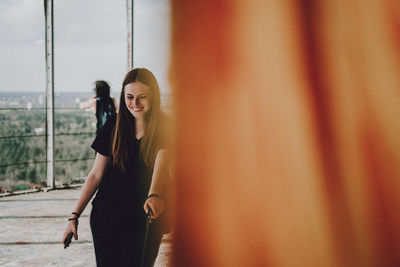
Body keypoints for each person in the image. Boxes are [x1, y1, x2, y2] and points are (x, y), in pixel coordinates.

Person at [63, 68, 171, 267]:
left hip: (144, 217)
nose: (135, 104)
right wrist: (74, 216)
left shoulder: (166, 126)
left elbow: (162, 164)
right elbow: (95, 175)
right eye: (129, 97)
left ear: (153, 97)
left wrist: (154, 195)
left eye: (142, 97)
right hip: (107, 217)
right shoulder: (113, 125)